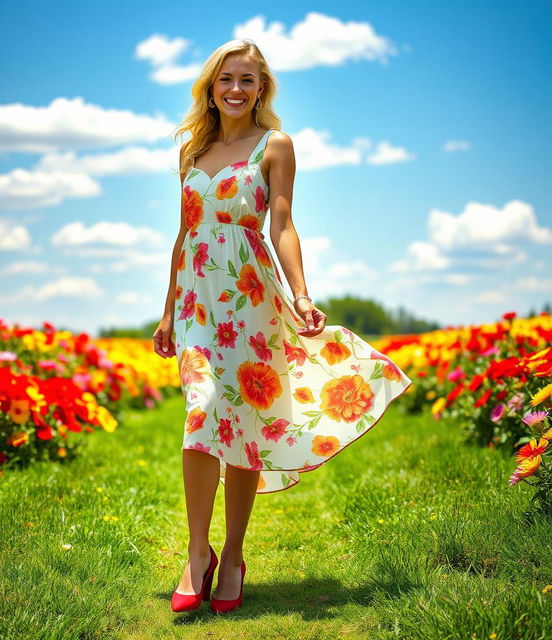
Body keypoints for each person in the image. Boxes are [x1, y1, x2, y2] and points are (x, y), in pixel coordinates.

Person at [153, 38, 413, 614]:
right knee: (201, 415)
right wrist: (168, 309)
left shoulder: (275, 145)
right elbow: (184, 236)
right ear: (211, 88)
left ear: (262, 88)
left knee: (241, 423)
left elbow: (284, 225)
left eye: (248, 80)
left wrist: (300, 291)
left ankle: (235, 555)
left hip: (249, 297)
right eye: (226, 79)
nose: (236, 90)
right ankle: (198, 553)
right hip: (198, 303)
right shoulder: (191, 152)